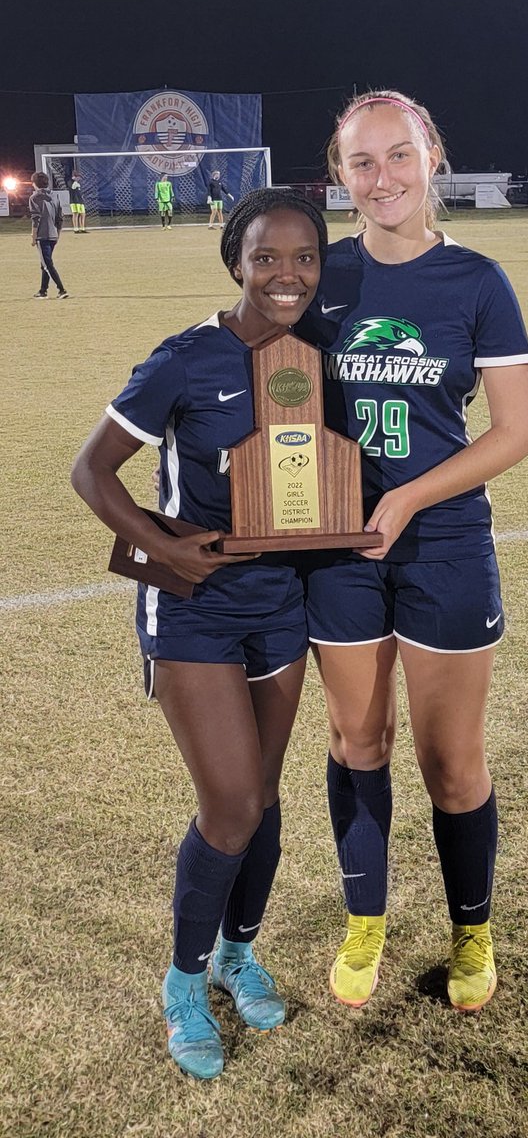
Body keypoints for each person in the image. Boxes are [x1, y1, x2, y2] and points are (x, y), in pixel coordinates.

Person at [71, 188, 328, 1080]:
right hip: (193, 607)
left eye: (304, 258)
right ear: (236, 264)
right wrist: (165, 548)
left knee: (264, 796)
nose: (287, 275)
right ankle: (184, 981)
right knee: (231, 804)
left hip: (282, 603)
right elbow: (91, 469)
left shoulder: (316, 357)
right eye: (267, 258)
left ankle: (236, 954)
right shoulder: (186, 358)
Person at [296, 90, 528, 1014]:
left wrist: (406, 497)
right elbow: (273, 390)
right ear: (340, 174)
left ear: (431, 156)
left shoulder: (478, 280)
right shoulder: (322, 275)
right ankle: (366, 920)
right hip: (338, 547)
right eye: (362, 161)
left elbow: (514, 431)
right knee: (358, 739)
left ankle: (472, 930)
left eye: (399, 155)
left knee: (451, 761)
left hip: (442, 543)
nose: (382, 177)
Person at [29, 171, 68, 299]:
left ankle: (61, 290)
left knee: (47, 265)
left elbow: (35, 218)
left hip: (42, 236)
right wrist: (58, 234)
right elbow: (60, 218)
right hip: (53, 235)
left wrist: (33, 236)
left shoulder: (34, 198)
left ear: (35, 183)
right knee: (45, 263)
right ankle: (43, 291)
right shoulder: (55, 196)